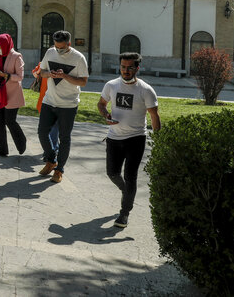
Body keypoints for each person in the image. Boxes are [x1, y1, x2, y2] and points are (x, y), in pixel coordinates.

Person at [97, 51, 161, 228]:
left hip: (135, 139)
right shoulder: (111, 85)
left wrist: (159, 140)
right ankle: (127, 192)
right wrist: (106, 115)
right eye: (123, 67)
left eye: (129, 68)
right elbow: (101, 104)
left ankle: (124, 213)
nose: (125, 71)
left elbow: (154, 116)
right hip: (113, 138)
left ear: (137, 68)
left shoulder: (146, 90)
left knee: (130, 176)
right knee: (112, 173)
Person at [36, 30, 89, 183]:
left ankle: (59, 170)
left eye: (62, 48)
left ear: (69, 44)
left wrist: (65, 76)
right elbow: (42, 72)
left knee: (64, 137)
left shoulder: (79, 58)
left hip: (68, 104)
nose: (58, 50)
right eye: (56, 47)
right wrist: (50, 74)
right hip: (49, 100)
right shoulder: (50, 52)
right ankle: (52, 160)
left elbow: (83, 82)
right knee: (42, 132)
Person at [0, 34, 27, 157]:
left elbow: (20, 76)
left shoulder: (16, 56)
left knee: (10, 121)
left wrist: (5, 75)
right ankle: (2, 148)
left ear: (5, 45)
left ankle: (21, 143)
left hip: (12, 94)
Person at [32, 63, 59, 160]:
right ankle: (51, 149)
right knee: (48, 128)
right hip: (45, 100)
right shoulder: (43, 63)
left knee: (54, 127)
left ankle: (52, 150)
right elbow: (35, 73)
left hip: (57, 101)